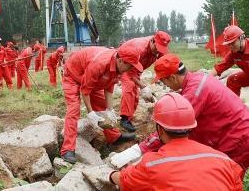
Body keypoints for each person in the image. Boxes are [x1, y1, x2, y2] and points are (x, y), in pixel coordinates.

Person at [110, 53, 249, 174]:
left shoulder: (195, 92)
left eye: (163, 81)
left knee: (226, 178)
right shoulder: (196, 79)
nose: (165, 85)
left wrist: (138, 150)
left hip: (237, 138)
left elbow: (172, 129)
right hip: (232, 132)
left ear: (173, 77)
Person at [96, 93, 244, 191]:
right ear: (191, 126)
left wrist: (109, 175)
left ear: (159, 129)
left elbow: (124, 181)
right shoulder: (224, 159)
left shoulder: (153, 164)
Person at [60, 44, 143, 163]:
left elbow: (109, 87)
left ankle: (114, 137)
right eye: (130, 65)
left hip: (91, 79)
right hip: (73, 75)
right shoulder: (99, 64)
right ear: (121, 60)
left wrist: (110, 110)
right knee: (74, 110)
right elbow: (85, 90)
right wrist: (91, 113)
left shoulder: (119, 66)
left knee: (101, 105)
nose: (131, 69)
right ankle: (67, 149)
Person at [119, 31, 171, 132]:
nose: (157, 51)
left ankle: (129, 118)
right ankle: (124, 119)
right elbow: (130, 72)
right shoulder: (140, 49)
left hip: (137, 68)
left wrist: (166, 79)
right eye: (156, 48)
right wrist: (144, 87)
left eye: (160, 49)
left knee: (136, 94)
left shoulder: (159, 48)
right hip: (126, 64)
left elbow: (163, 63)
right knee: (130, 87)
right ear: (152, 41)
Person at [209, 25, 249, 96]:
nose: (230, 46)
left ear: (241, 38)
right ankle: (235, 105)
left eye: (232, 43)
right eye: (228, 44)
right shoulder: (233, 53)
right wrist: (205, 79)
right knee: (233, 80)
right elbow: (221, 66)